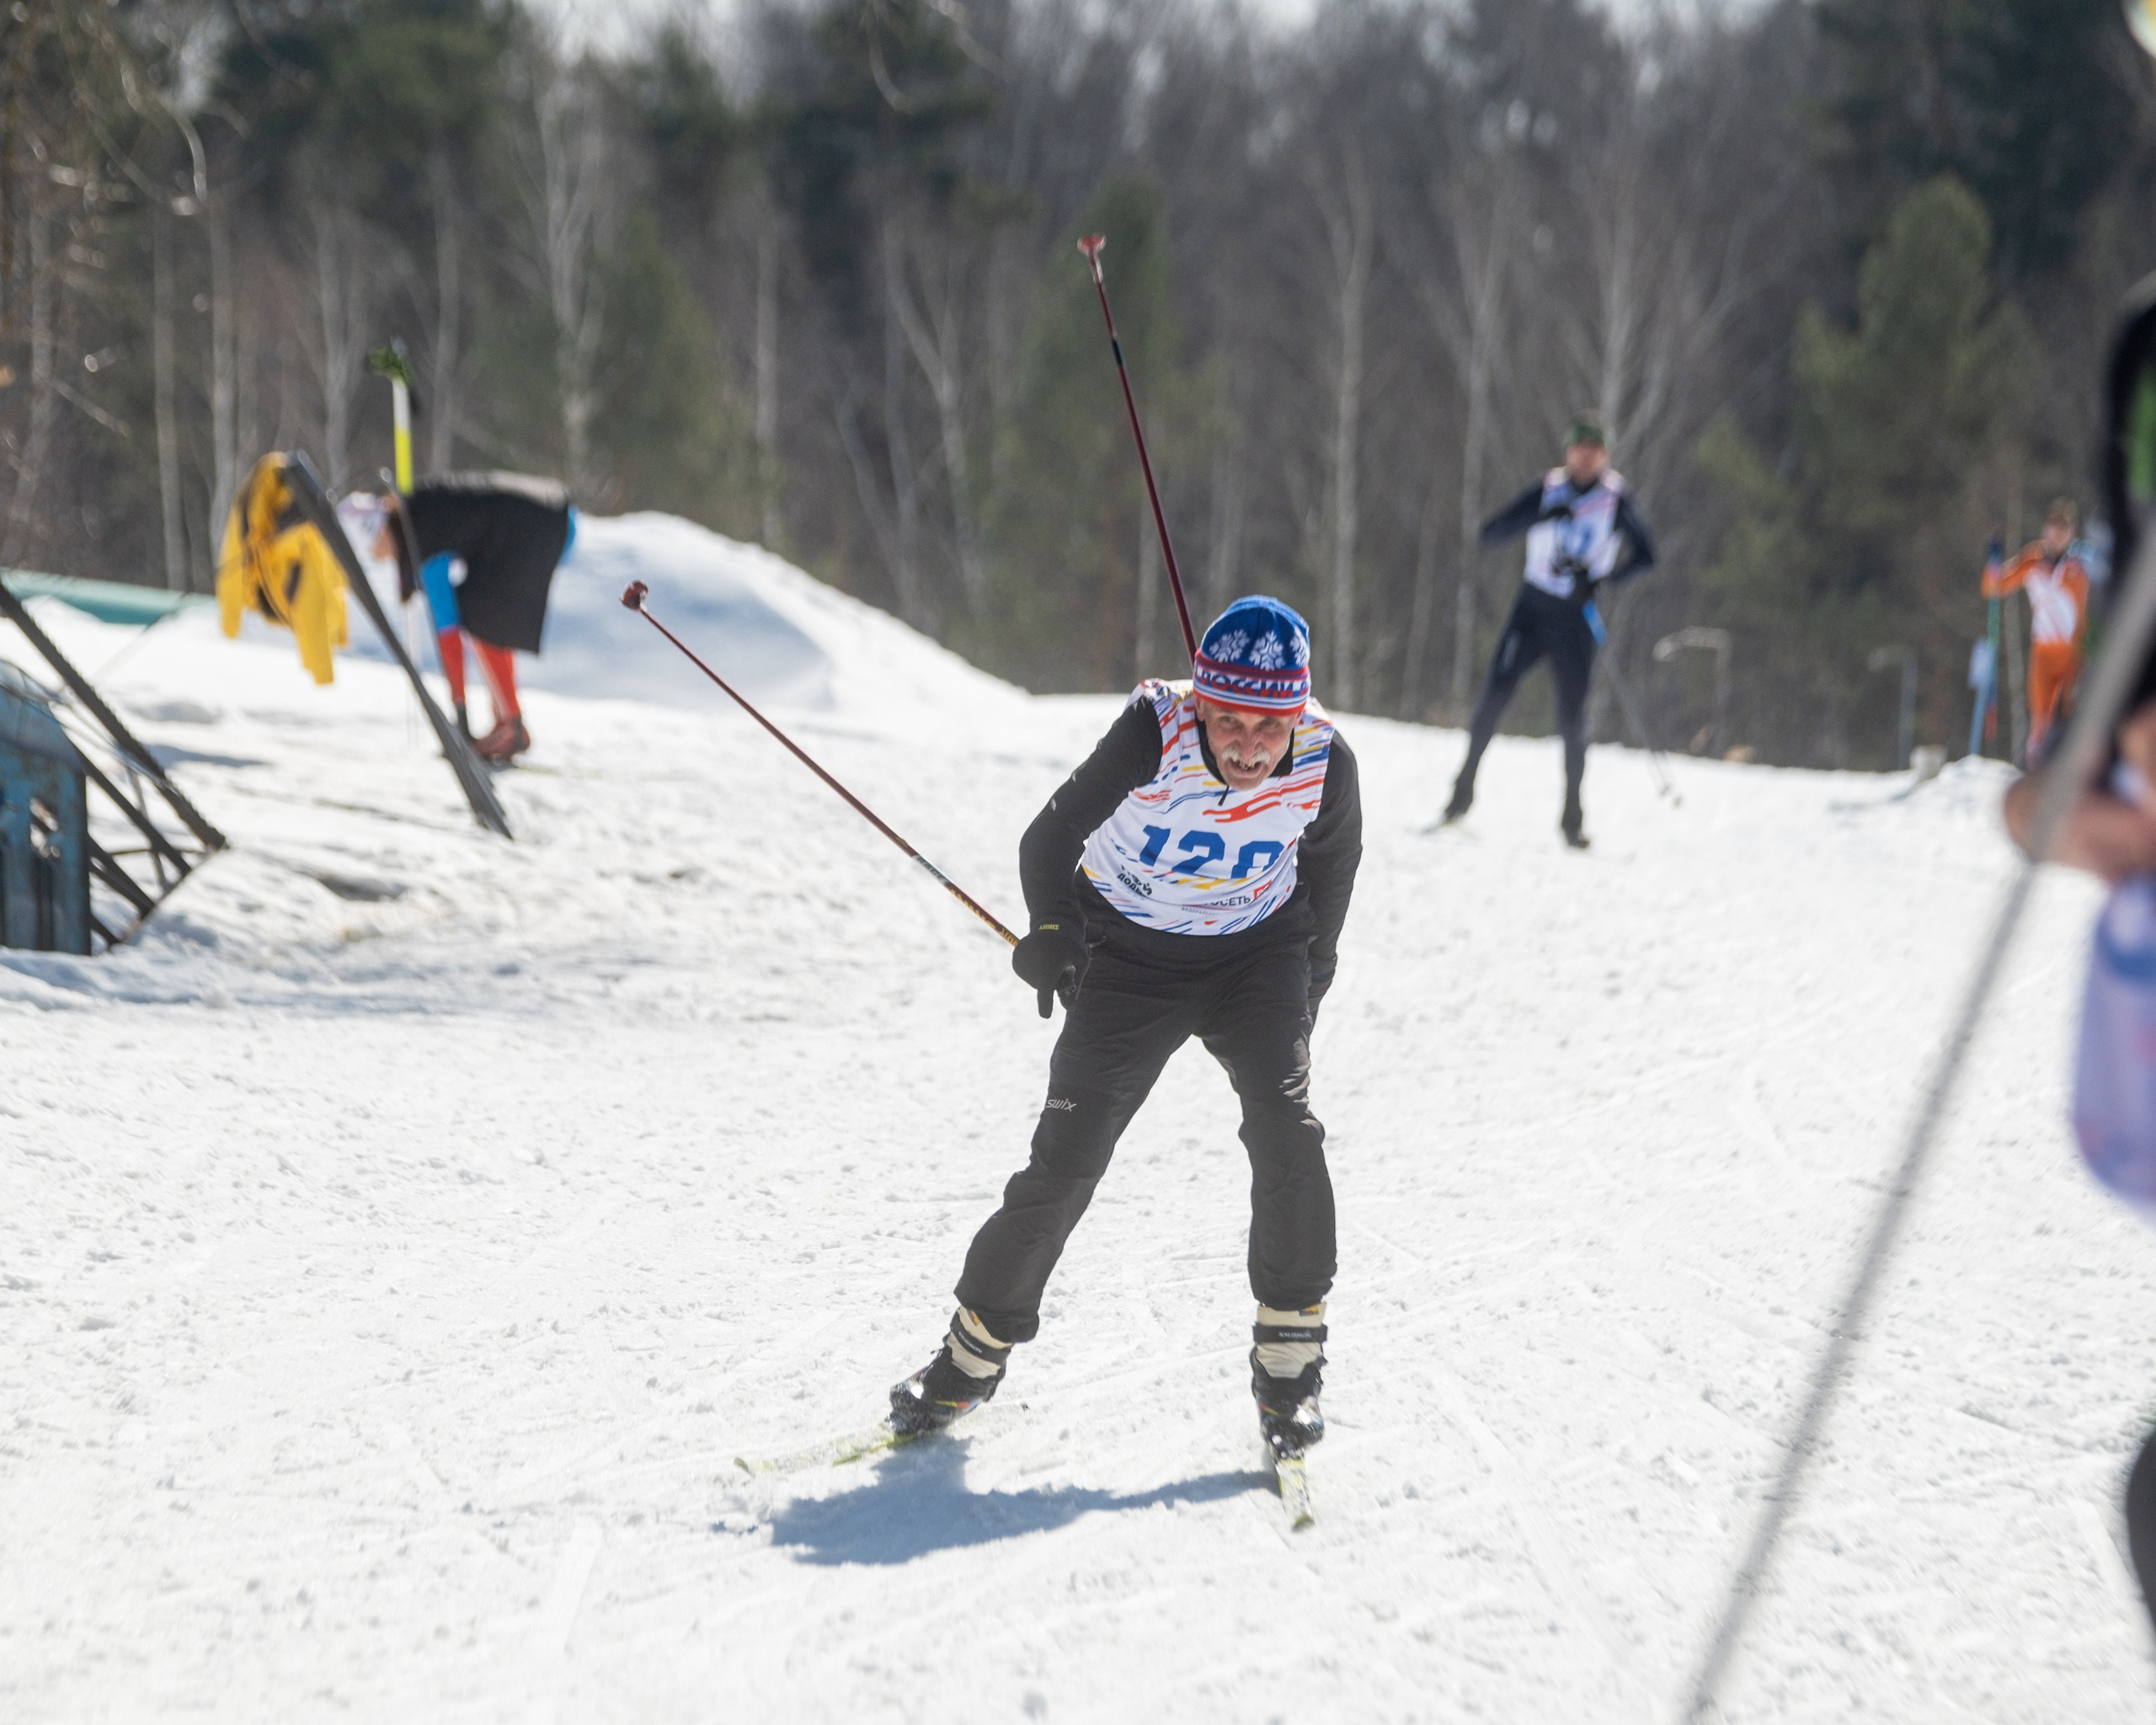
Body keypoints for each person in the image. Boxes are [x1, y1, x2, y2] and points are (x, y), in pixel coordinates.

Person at [889, 596, 1363, 1462]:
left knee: (1287, 1131)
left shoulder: (1325, 762)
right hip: (1131, 959)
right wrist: (1053, 929)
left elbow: (1331, 874)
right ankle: (968, 1359)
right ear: (1202, 702)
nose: (1248, 746)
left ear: (1297, 715)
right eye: (1229, 721)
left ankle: (1291, 1372)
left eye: (1269, 727)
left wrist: (1311, 983)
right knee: (1067, 1159)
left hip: (1255, 955)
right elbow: (1049, 838)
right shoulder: (1156, 730)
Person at [1441, 420, 1657, 847]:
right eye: (1580, 448)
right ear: (1568, 451)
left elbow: (1646, 556)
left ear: (1605, 455)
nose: (1586, 457)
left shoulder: (1615, 498)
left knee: (1572, 718)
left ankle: (1572, 819)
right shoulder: (1548, 489)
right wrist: (1540, 516)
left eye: (1595, 449)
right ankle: (1460, 794)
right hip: (1532, 610)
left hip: (1575, 617)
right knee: (1493, 698)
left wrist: (1601, 581)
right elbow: (1491, 534)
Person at [375, 473, 576, 764]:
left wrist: (460, 712)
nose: (376, 556)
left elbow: (448, 631)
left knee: (483, 614)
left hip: (540, 522)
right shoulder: (421, 517)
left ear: (387, 527)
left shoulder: (424, 539)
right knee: (486, 609)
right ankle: (506, 720)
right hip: (547, 512)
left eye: (374, 543)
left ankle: (513, 726)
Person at [1983, 500, 2092, 756]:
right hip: (2043, 655)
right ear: (2045, 529)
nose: (2058, 533)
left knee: (2075, 719)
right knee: (2040, 723)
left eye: (2064, 527)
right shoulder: (2033, 561)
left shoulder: (2081, 562)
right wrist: (1992, 561)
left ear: (2072, 531)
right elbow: (1993, 587)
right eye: (2054, 526)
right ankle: (2037, 770)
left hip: (2074, 653)